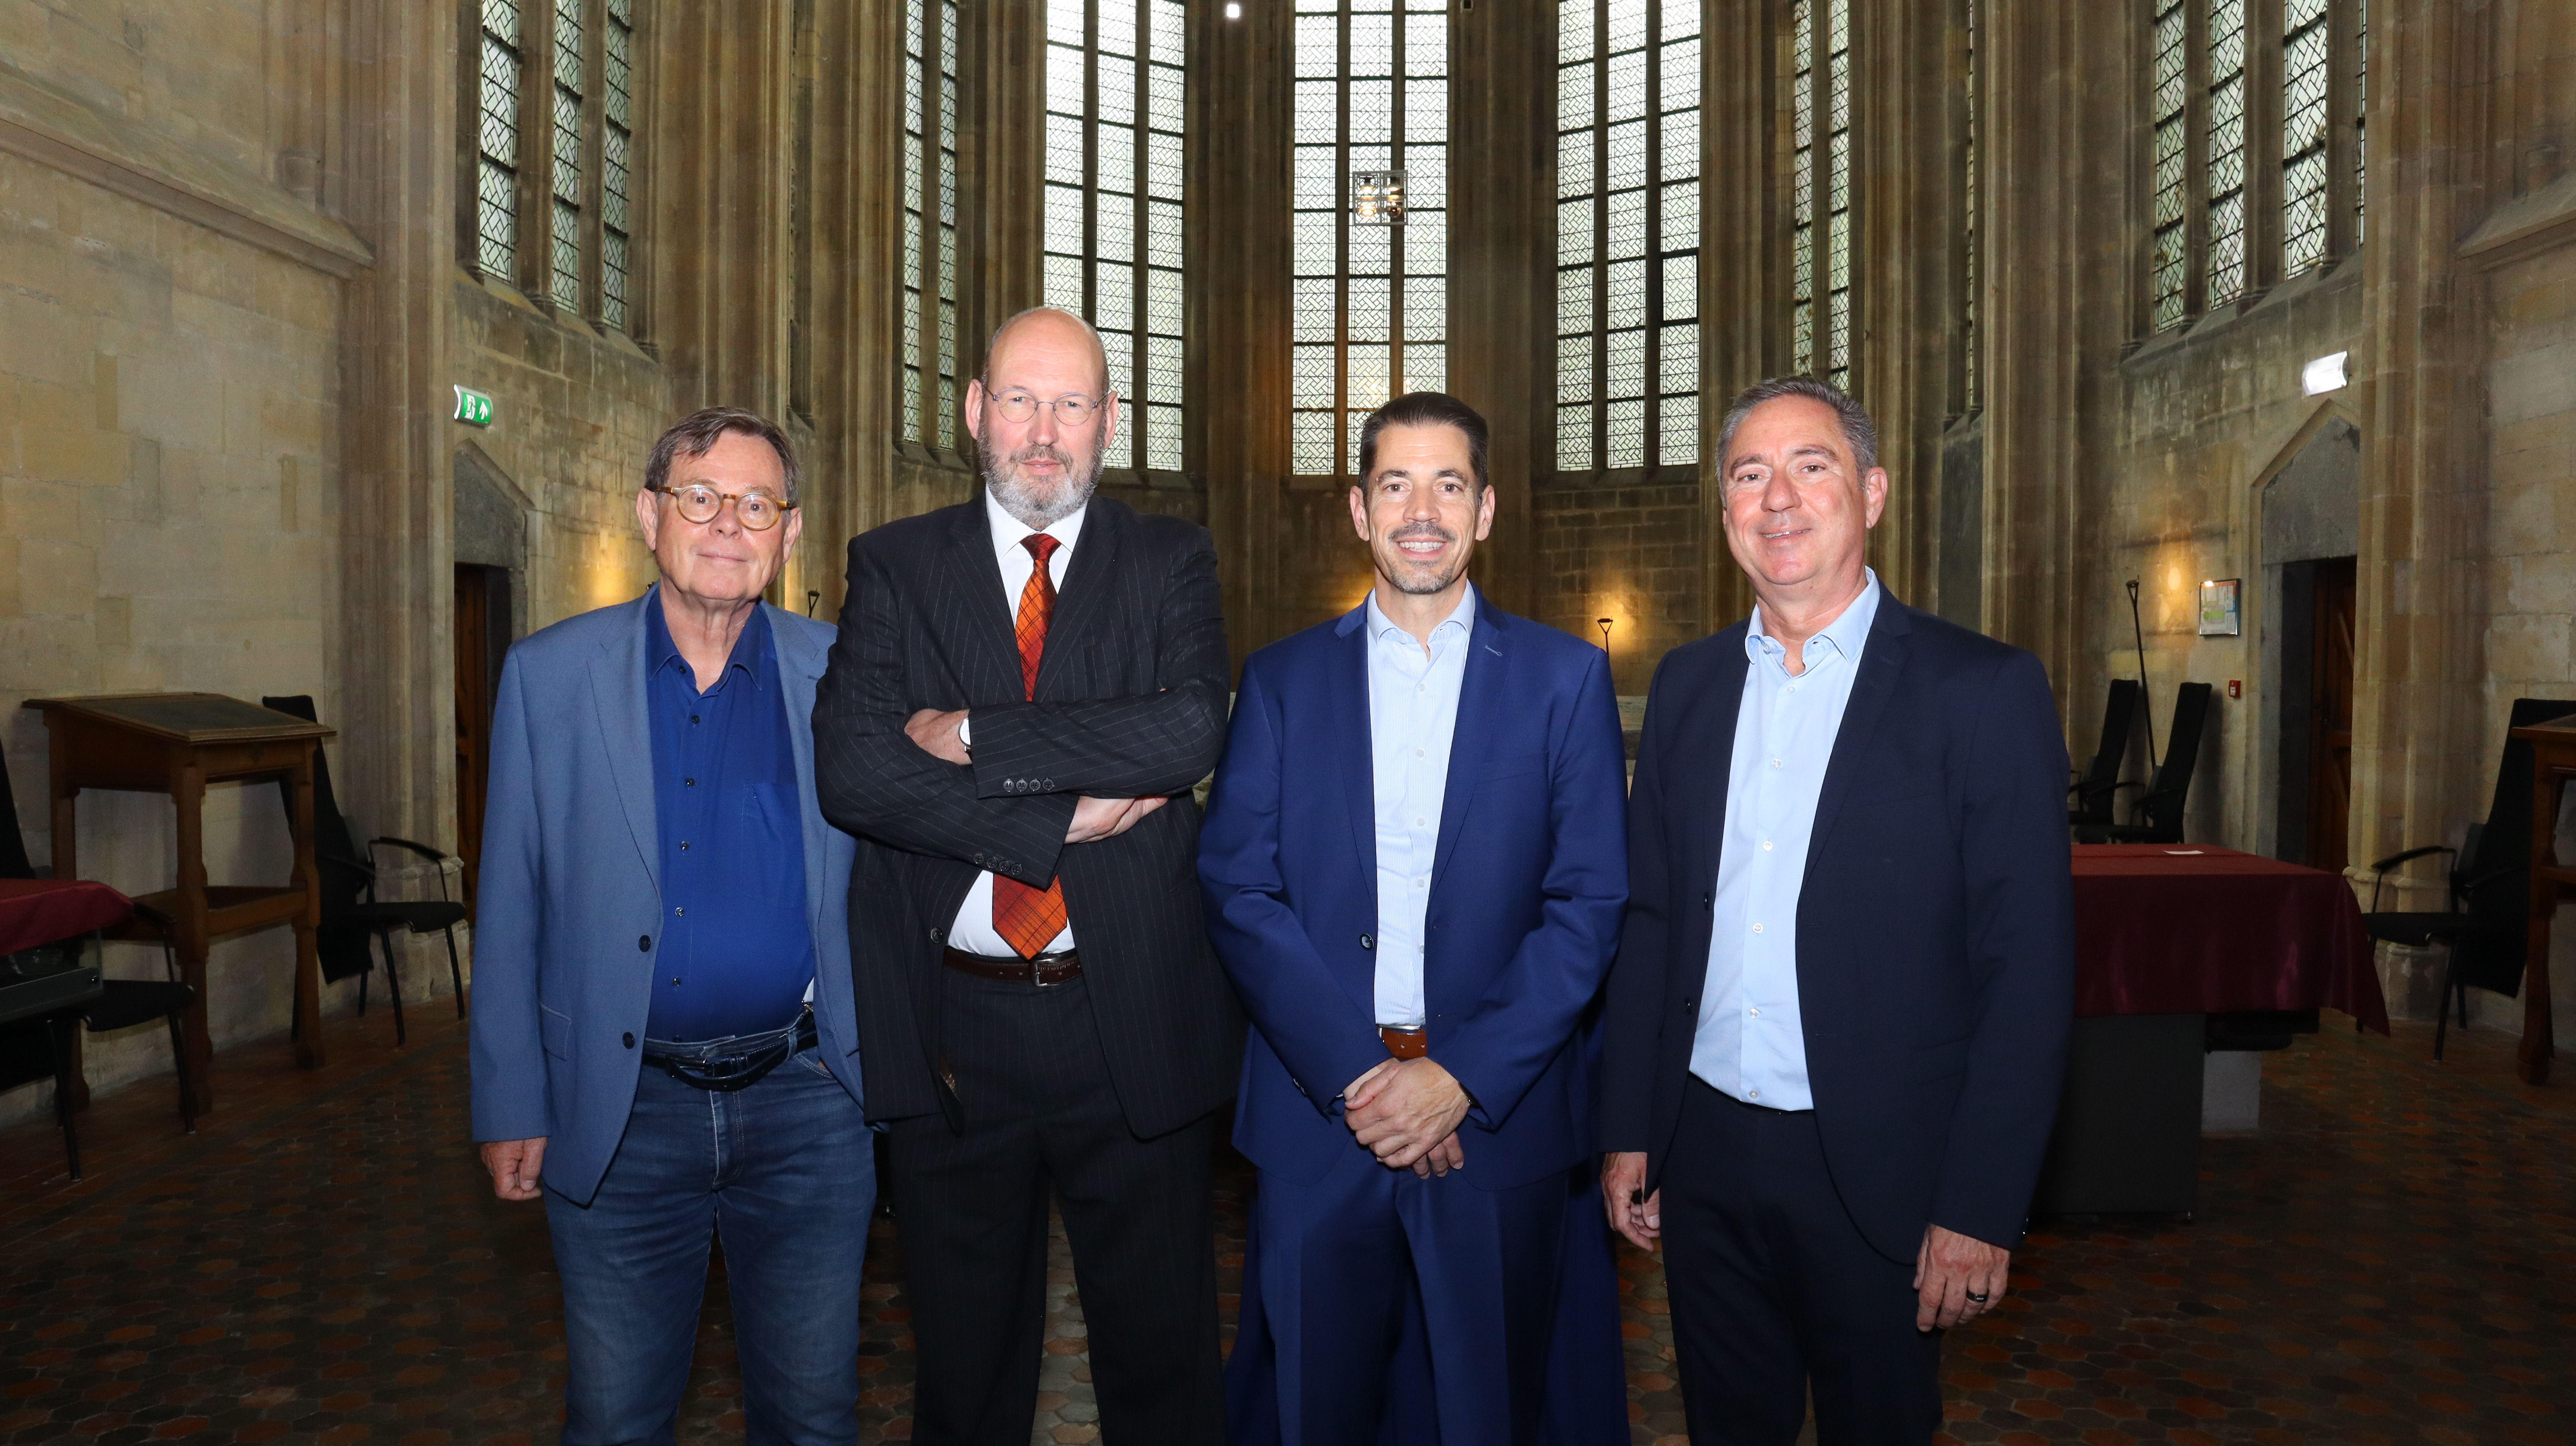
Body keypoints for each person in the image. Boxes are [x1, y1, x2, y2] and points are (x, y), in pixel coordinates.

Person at [1599, 377, 2075, 1445]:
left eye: (1810, 466)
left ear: (1872, 492)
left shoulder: (1981, 690)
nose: (1779, 497)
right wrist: (1632, 1125)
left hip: (1885, 1167)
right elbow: (1655, 921)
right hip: (1706, 1153)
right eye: (1749, 474)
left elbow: (2029, 973)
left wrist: (1981, 1203)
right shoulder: (1687, 686)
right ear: (1724, 510)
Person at [811, 306, 1236, 1446]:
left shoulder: (1170, 558)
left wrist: (975, 737)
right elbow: (855, 773)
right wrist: (1049, 829)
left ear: (1110, 422)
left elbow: (1188, 730)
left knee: (1165, 1374)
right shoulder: (895, 565)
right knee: (964, 1378)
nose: (1042, 434)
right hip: (955, 1032)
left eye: (1071, 404)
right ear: (972, 412)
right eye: (1019, 400)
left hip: (1129, 1019)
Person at [1201, 392, 1632, 1445]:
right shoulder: (1283, 681)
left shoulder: (1564, 679)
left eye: (1450, 484)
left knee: (1490, 1411)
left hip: (1497, 1124)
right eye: (1396, 483)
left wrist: (1458, 1078)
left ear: (1486, 511)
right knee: (1315, 1407)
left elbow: (1589, 903)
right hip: (1322, 1117)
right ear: (1359, 508)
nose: (1422, 509)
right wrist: (1361, 1075)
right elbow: (1237, 887)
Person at [468, 407, 872, 1446]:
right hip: (622, 1108)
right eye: (701, 497)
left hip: (809, 1105)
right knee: (614, 1417)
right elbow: (510, 898)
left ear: (789, 533)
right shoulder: (551, 677)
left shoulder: (847, 677)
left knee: (816, 1417)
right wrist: (510, 1094)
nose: (727, 524)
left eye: (756, 504)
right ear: (652, 514)